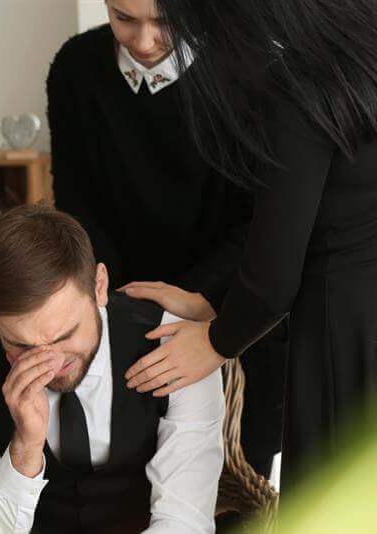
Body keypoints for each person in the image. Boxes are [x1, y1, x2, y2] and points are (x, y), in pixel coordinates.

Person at [123, 0, 377, 492]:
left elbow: (275, 275)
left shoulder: (305, 83)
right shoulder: (361, 47)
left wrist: (217, 342)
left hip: (345, 329)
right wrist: (214, 306)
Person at [47, 0, 285, 476]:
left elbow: (265, 217)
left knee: (235, 478)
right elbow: (76, 202)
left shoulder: (252, 69)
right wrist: (121, 303)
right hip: (121, 301)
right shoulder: (75, 67)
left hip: (230, 302)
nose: (144, 40)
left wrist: (189, 300)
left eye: (165, 22)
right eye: (124, 18)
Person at [0, 205, 224, 534]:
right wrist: (25, 449)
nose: (50, 361)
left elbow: (184, 522)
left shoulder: (177, 348)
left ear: (99, 285)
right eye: (20, 346)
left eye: (65, 335)